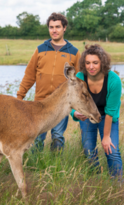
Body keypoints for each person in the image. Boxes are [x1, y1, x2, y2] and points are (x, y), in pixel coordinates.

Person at [17, 12, 80, 152]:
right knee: (37, 138)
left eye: (57, 27)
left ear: (64, 28)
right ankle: (35, 168)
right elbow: (29, 75)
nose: (54, 30)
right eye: (51, 27)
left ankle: (56, 169)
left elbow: (79, 81)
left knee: (58, 137)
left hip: (62, 104)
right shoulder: (40, 50)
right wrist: (20, 96)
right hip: (40, 103)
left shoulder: (74, 52)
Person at [71, 44, 123, 178]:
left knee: (112, 150)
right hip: (88, 116)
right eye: (87, 63)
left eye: (95, 63)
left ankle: (117, 185)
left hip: (107, 116)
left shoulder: (113, 80)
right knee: (89, 151)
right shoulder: (79, 77)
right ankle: (96, 180)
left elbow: (111, 111)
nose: (91, 67)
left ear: (102, 63)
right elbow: (72, 102)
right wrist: (75, 113)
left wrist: (106, 137)